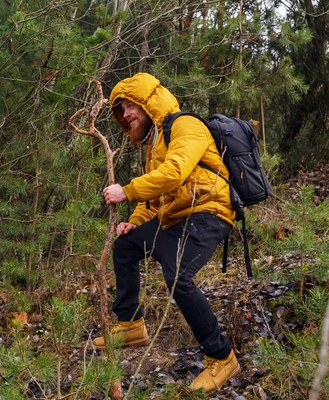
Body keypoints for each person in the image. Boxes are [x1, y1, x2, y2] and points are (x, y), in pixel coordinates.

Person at [92, 72, 241, 393]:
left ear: (149, 103)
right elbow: (158, 195)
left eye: (131, 105)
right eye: (121, 109)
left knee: (178, 276)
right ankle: (131, 324)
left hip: (210, 209)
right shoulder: (156, 143)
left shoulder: (186, 125)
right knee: (127, 244)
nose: (126, 114)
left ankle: (222, 356)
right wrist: (136, 219)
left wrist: (127, 190)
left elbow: (174, 174)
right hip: (178, 215)